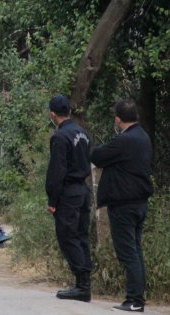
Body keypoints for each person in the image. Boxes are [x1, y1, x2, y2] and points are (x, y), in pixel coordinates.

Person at [91, 100, 153, 312]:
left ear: (118, 119)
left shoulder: (124, 140)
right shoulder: (143, 137)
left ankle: (135, 300)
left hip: (124, 205)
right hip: (139, 203)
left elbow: (97, 155)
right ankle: (137, 298)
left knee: (128, 253)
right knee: (135, 251)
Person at [45, 95, 92, 302]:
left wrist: (52, 200)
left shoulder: (60, 137)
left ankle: (82, 285)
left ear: (52, 115)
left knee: (67, 236)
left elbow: (57, 171)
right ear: (70, 112)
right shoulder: (82, 133)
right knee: (81, 235)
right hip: (83, 190)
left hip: (68, 193)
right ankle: (85, 282)